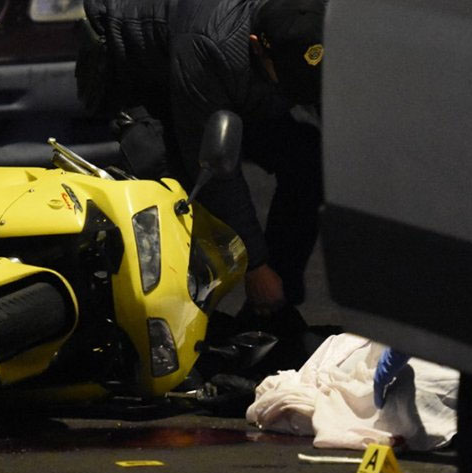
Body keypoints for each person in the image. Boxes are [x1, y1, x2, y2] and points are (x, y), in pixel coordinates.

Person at [76, 0, 325, 316]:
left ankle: (274, 307)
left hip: (226, 66)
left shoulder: (309, 19)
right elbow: (213, 167)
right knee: (172, 194)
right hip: (139, 65)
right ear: (257, 46)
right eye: (289, 78)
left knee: (306, 157)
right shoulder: (207, 43)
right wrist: (256, 266)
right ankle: (170, 326)